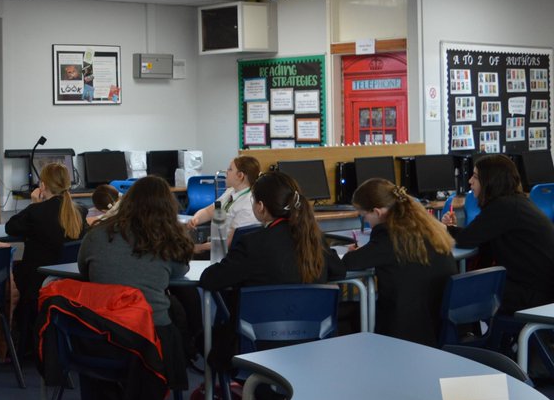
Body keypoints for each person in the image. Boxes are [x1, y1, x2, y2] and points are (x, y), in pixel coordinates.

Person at [75, 176, 192, 400]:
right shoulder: (168, 239)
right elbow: (179, 272)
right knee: (176, 314)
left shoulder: (96, 234)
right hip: (148, 341)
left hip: (98, 338)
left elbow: (84, 269)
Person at [200, 171, 345, 367]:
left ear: (260, 207)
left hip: (255, 351)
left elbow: (210, 279)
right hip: (312, 348)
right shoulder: (313, 240)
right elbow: (339, 271)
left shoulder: (252, 243)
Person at [344, 178, 456, 347]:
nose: (366, 221)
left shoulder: (388, 234)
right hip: (438, 323)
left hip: (406, 331)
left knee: (351, 314)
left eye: (364, 216)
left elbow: (349, 262)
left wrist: (359, 252)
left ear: (377, 212)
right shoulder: (426, 226)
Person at [442, 154, 554, 313]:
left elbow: (465, 239)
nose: (470, 182)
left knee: (455, 292)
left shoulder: (503, 206)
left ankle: (467, 335)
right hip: (540, 288)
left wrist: (441, 229)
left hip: (533, 295)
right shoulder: (515, 202)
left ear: (490, 181)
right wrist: (451, 228)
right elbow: (478, 235)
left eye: (475, 177)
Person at [5, 162, 87, 355]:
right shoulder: (80, 212)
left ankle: (18, 343)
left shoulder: (37, 212)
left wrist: (35, 204)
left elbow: (11, 227)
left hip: (36, 280)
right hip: (68, 280)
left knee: (11, 272)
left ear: (42, 185)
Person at [187, 155, 261, 247]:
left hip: (228, 251)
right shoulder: (231, 191)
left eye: (230, 169)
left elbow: (230, 242)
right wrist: (196, 219)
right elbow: (208, 211)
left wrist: (200, 248)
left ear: (240, 175)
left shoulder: (248, 203)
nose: (226, 172)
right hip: (216, 244)